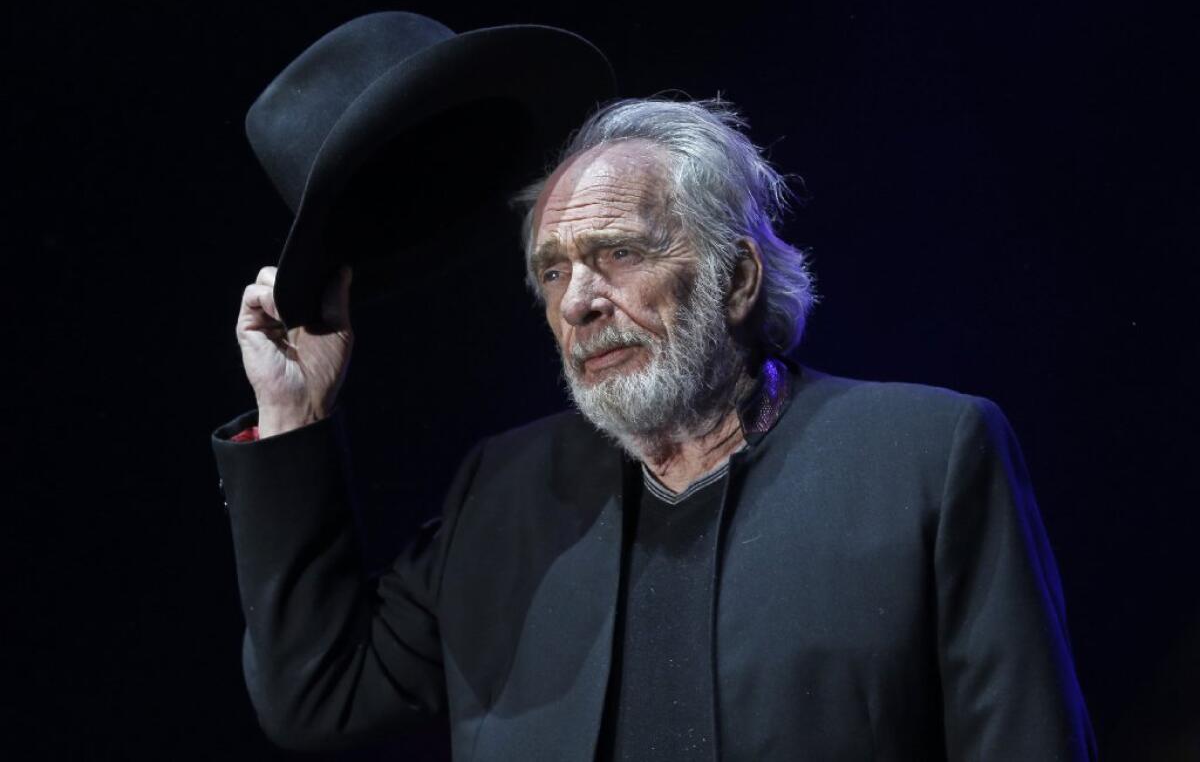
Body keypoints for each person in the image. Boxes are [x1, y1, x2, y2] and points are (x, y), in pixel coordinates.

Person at [213, 97, 1097, 760]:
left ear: (738, 278)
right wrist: (294, 413)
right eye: (552, 273)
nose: (580, 302)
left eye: (619, 254)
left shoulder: (923, 460)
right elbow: (315, 695)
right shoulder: (505, 494)